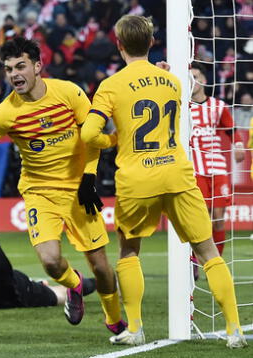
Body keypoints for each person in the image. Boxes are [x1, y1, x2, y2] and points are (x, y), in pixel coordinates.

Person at [81, 15, 246, 348]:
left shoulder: (111, 85)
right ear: (152, 43)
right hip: (177, 173)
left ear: (119, 45)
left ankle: (136, 327)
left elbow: (88, 133)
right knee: (208, 250)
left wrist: (112, 142)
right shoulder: (172, 81)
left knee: (129, 251)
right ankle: (234, 330)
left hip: (137, 179)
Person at [0, 37, 125, 335]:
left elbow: (92, 139)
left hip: (78, 189)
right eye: (8, 69)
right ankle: (75, 284)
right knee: (50, 262)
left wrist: (89, 177)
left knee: (101, 266)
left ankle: (114, 320)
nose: (15, 74)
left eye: (21, 66)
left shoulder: (69, 93)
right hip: (39, 192)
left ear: (38, 66)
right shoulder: (5, 112)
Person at [189, 63, 245, 278]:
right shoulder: (183, 107)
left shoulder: (218, 106)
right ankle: (194, 260)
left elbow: (232, 129)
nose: (193, 80)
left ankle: (215, 265)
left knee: (218, 218)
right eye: (189, 77)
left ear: (204, 79)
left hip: (217, 166)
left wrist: (238, 146)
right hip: (195, 168)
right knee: (200, 218)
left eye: (196, 75)